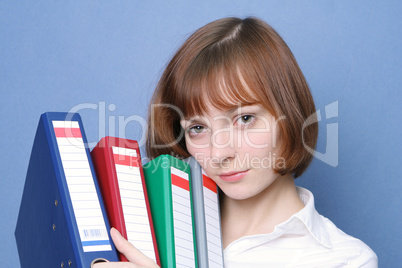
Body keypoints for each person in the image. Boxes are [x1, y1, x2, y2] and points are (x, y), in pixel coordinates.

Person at [95, 17, 377, 267]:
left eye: (244, 119)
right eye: (197, 127)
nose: (219, 153)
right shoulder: (149, 226)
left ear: (290, 114)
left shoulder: (345, 260)